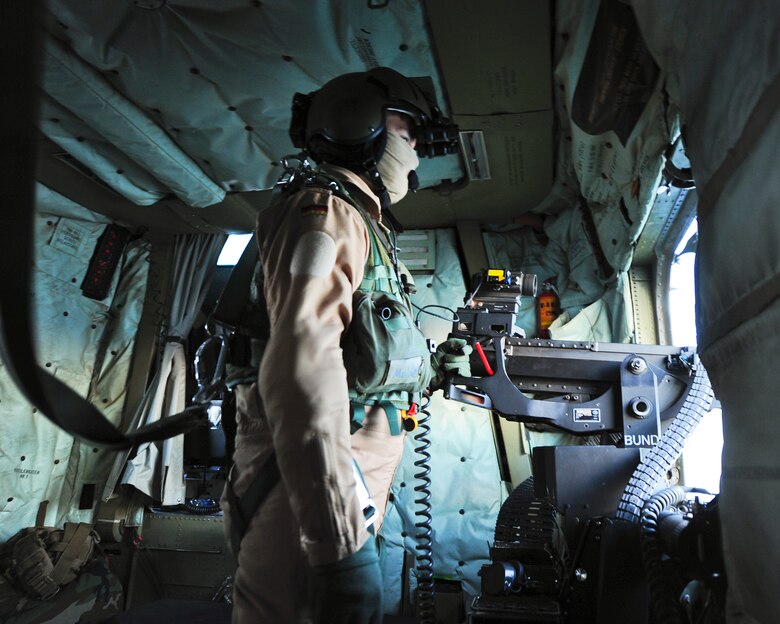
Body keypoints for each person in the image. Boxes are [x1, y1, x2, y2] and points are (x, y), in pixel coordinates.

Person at [220, 67, 470, 623]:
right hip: (305, 493)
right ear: (361, 124)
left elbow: (359, 356)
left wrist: (433, 366)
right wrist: (339, 547)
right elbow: (302, 366)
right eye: (408, 132)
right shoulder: (325, 213)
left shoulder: (362, 223)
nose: (415, 151)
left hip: (336, 487)